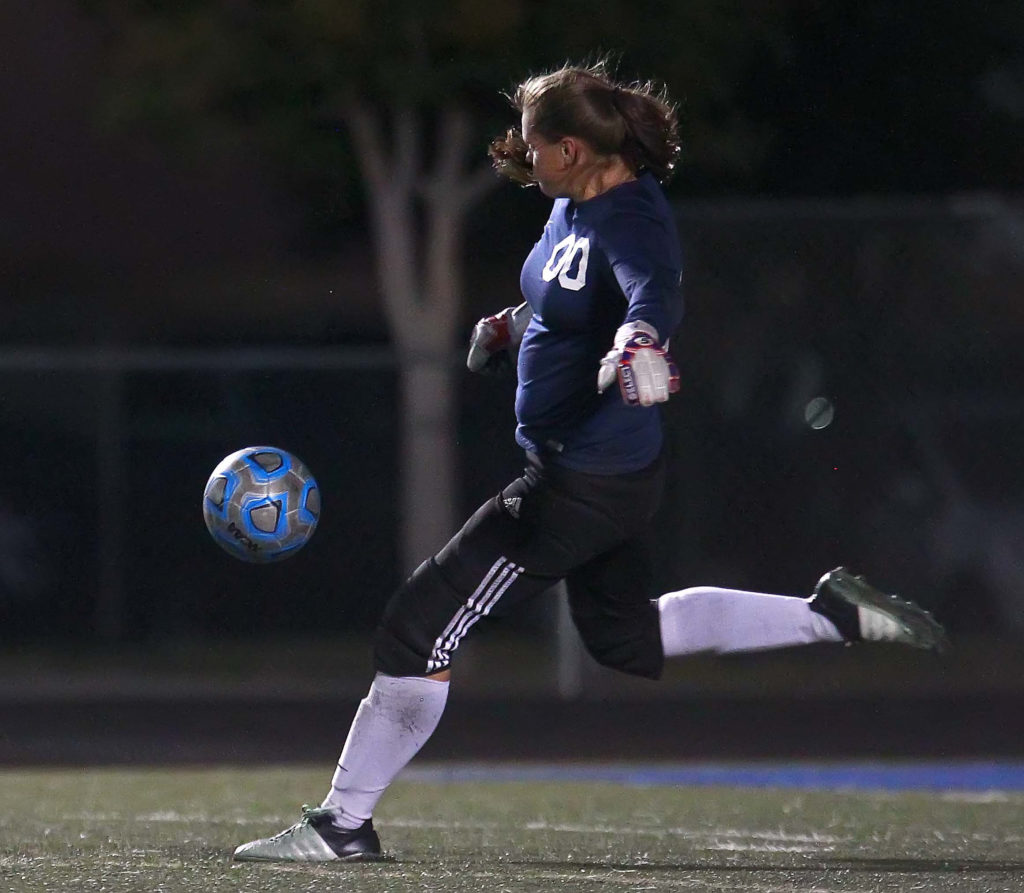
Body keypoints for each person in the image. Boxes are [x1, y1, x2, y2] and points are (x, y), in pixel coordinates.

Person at [233, 62, 947, 863]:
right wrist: (511, 324)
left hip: (575, 483)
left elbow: (651, 296)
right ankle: (832, 612)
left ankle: (344, 824)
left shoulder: (632, 218)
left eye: (534, 145)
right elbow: (567, 292)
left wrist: (640, 343)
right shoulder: (575, 206)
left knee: (417, 627)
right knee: (626, 638)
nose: (521, 156)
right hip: (609, 476)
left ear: (572, 148)